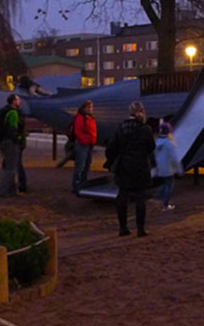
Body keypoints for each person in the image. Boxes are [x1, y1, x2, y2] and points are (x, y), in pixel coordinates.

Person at [105, 101, 155, 237]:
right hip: (140, 166)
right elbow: (151, 147)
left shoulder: (121, 127)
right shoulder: (145, 129)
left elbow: (111, 147)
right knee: (140, 198)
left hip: (124, 166)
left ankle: (123, 227)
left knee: (122, 196)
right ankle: (140, 228)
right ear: (142, 112)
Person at [0, 94, 28, 196]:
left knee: (11, 166)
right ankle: (1, 191)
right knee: (11, 168)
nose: (19, 101)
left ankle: (12, 191)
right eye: (17, 99)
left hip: (5, 141)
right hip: (11, 143)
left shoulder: (6, 111)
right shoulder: (13, 113)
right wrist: (19, 138)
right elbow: (12, 130)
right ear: (13, 101)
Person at [154, 122, 183, 211]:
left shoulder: (157, 143)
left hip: (160, 168)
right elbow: (174, 158)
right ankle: (165, 204)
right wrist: (179, 169)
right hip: (169, 168)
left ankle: (159, 197)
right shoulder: (169, 144)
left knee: (165, 184)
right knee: (169, 186)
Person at [70, 100, 97, 194]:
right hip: (83, 144)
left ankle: (83, 183)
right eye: (89, 107)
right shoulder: (81, 117)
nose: (91, 109)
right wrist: (85, 140)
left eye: (91, 107)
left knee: (86, 164)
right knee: (80, 165)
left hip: (88, 144)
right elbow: (78, 131)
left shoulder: (89, 117)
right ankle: (76, 185)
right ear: (84, 108)